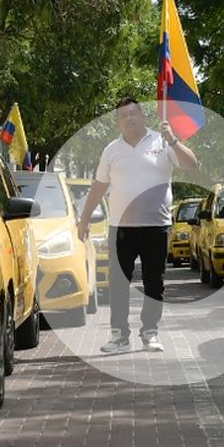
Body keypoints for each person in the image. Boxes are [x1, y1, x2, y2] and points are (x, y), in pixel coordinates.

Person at [77, 97, 200, 354]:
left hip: (156, 226)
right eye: (124, 116)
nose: (129, 119)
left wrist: (174, 140)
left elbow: (191, 164)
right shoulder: (111, 150)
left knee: (154, 281)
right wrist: (85, 219)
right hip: (121, 228)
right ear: (118, 122)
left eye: (133, 114)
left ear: (143, 116)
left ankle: (150, 333)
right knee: (119, 282)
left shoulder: (162, 142)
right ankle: (119, 335)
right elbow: (99, 186)